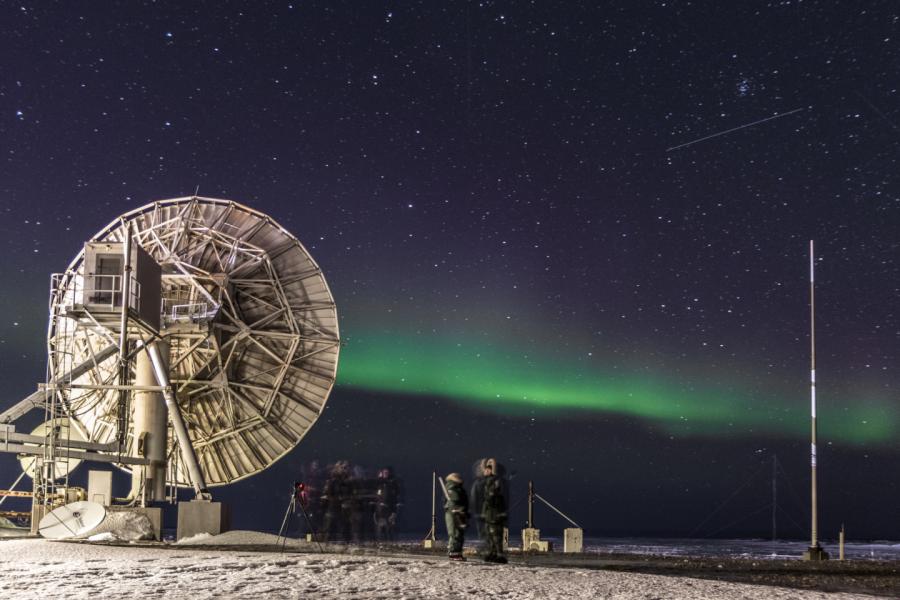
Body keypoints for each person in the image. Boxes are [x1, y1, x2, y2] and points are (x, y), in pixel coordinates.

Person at [480, 461, 508, 563]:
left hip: (494, 513)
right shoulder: (487, 482)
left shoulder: (495, 481)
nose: (485, 471)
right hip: (490, 513)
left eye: (487, 470)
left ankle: (499, 554)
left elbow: (491, 498)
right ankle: (493, 553)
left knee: (496, 535)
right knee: (490, 535)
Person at [444, 472, 469, 561]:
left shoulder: (458, 487)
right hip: (454, 512)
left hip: (459, 512)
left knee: (458, 533)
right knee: (455, 533)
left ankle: (457, 552)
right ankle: (453, 552)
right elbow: (454, 500)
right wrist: (460, 509)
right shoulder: (452, 487)